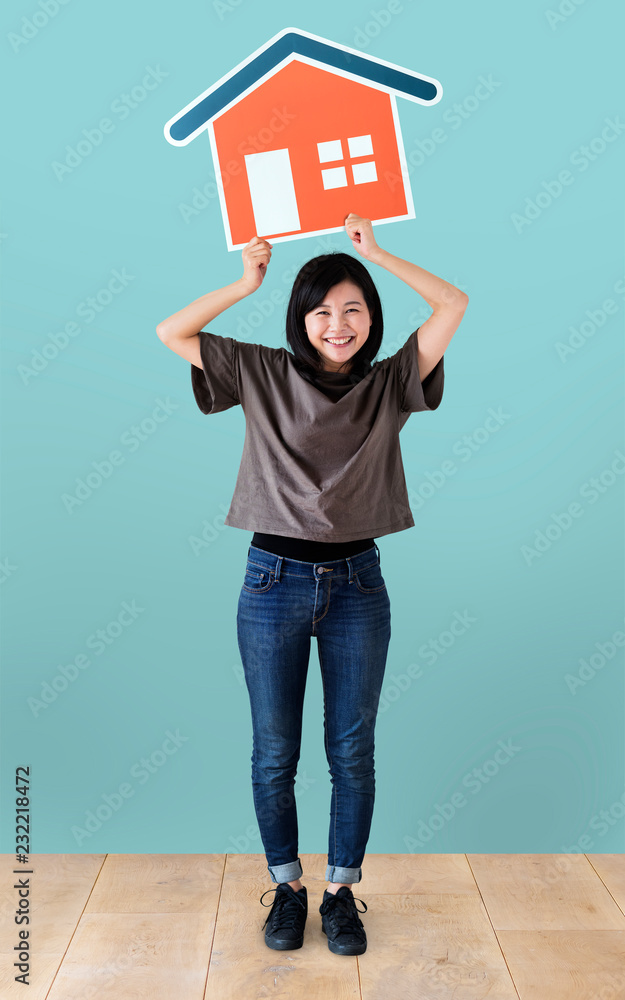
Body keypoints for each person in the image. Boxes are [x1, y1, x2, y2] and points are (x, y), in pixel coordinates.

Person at [156, 213, 468, 956]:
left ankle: (340, 895)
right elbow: (171, 332)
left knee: (351, 750)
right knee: (274, 751)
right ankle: (288, 888)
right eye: (323, 309)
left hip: (359, 582)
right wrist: (244, 282)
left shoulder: (393, 381)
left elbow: (452, 305)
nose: (339, 323)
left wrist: (377, 253)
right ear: (301, 318)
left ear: (371, 319)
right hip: (272, 582)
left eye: (353, 308)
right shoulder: (260, 370)